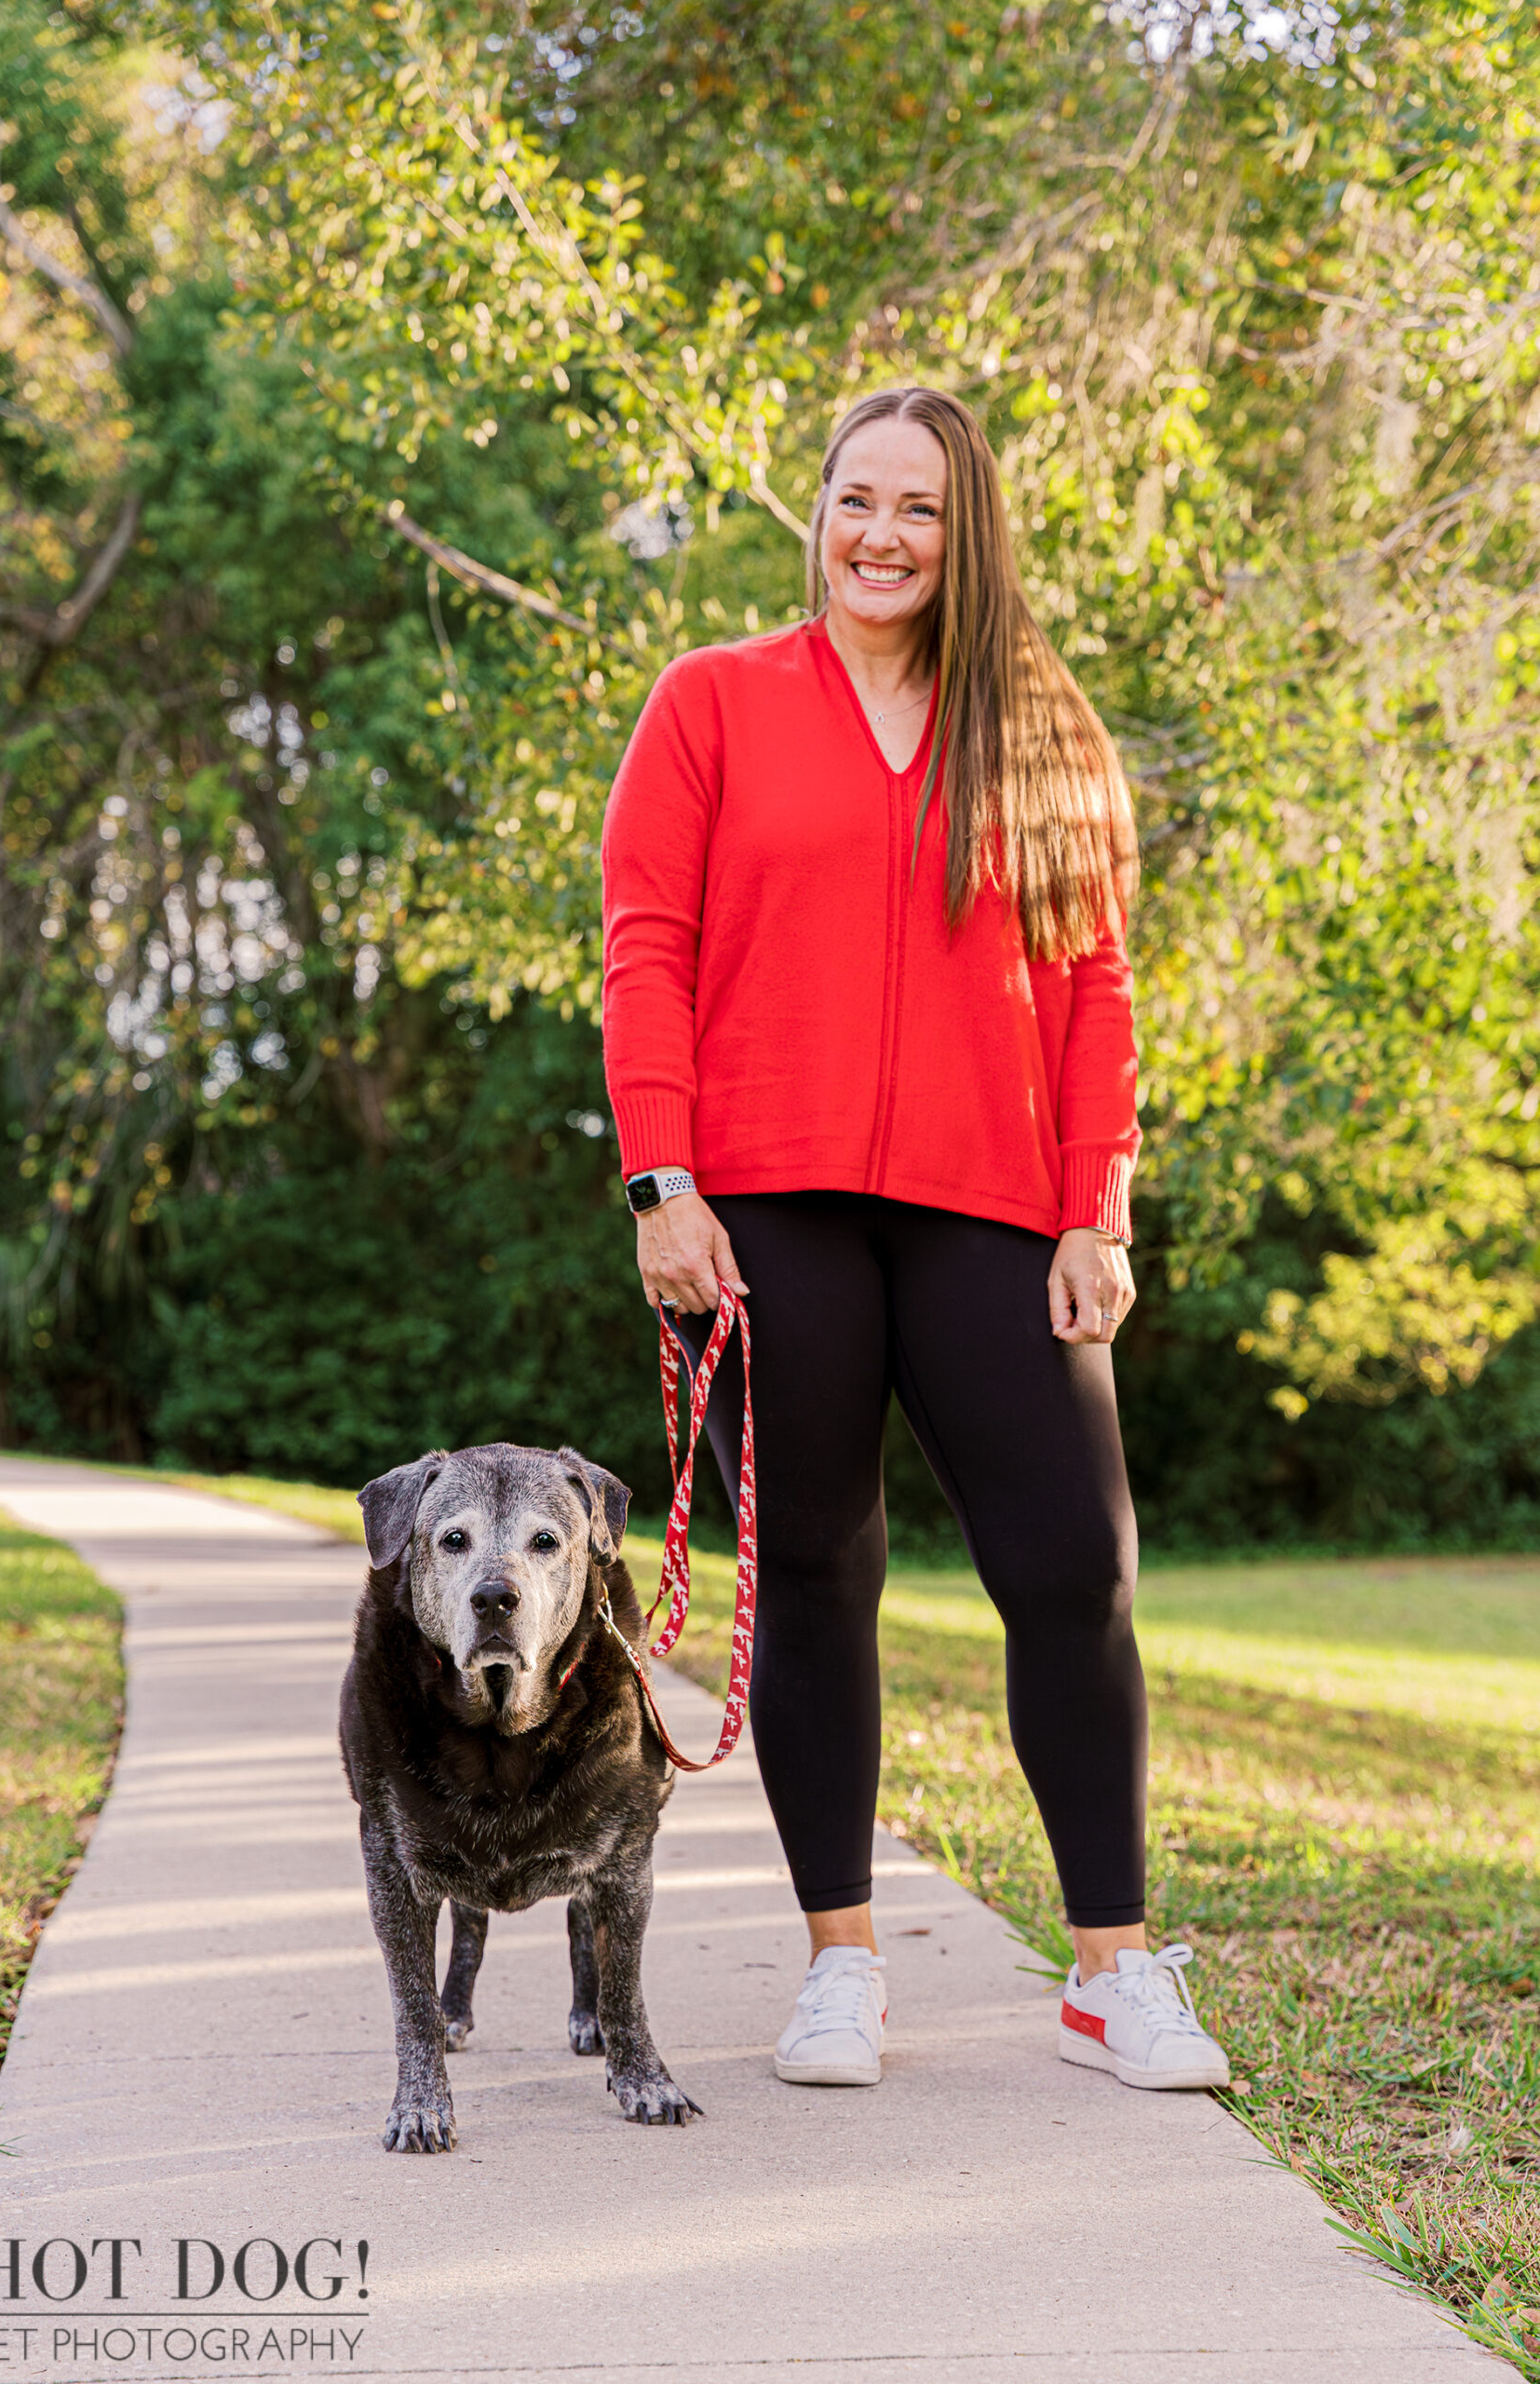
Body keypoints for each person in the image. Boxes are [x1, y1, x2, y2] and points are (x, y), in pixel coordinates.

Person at [600, 386, 1229, 2094]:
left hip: (996, 1206)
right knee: (816, 1572)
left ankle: (1111, 1966)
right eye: (854, 498)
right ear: (817, 509)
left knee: (1078, 1568)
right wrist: (663, 1184)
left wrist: (1097, 1204)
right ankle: (841, 1965)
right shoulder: (713, 704)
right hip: (765, 1198)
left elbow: (1097, 986)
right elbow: (644, 949)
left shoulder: (1038, 728)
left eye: (921, 511)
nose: (880, 535)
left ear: (970, 536)